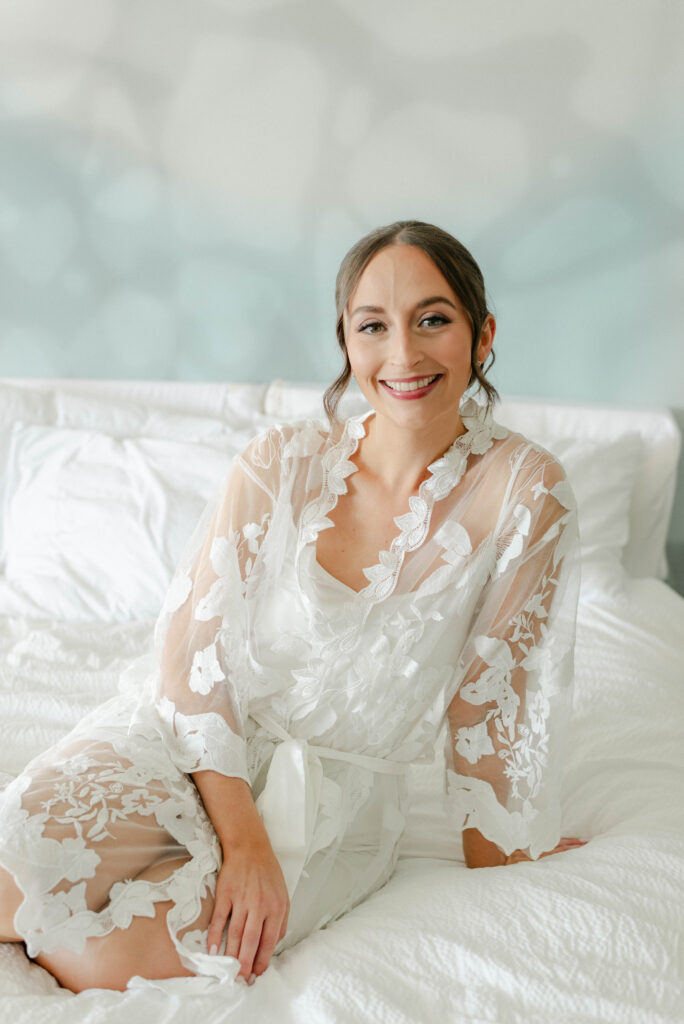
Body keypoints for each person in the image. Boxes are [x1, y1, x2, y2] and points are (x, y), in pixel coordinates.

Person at [0, 220, 586, 995]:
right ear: (346, 343)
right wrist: (242, 844)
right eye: (373, 326)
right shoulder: (282, 461)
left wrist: (511, 847)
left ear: (483, 337)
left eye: (433, 319)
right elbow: (189, 663)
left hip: (333, 810)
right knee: (13, 867)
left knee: (100, 959)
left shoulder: (525, 491)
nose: (403, 354)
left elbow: (493, 701)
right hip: (190, 741)